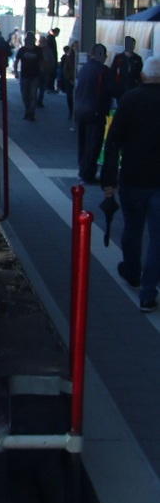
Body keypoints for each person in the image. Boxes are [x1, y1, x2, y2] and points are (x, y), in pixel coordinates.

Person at [100, 55, 160, 312]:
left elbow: (113, 142)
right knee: (158, 239)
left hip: (133, 178)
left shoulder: (130, 99)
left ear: (143, 76)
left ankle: (132, 271)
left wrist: (109, 179)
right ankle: (148, 293)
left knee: (132, 228)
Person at [74, 43, 112, 182]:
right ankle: (88, 173)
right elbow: (113, 89)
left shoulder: (84, 68)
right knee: (93, 143)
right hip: (95, 111)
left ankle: (82, 170)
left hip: (80, 110)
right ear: (102, 55)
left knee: (82, 142)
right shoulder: (103, 70)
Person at [13, 31, 44, 121]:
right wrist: (15, 71)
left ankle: (30, 113)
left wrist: (16, 72)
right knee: (26, 95)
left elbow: (42, 62)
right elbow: (16, 61)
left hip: (33, 75)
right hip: (27, 75)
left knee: (31, 95)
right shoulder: (23, 50)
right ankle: (29, 111)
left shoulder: (36, 50)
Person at [108, 36, 143, 101]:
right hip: (120, 89)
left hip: (132, 88)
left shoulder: (137, 59)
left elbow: (139, 74)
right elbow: (112, 72)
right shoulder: (118, 57)